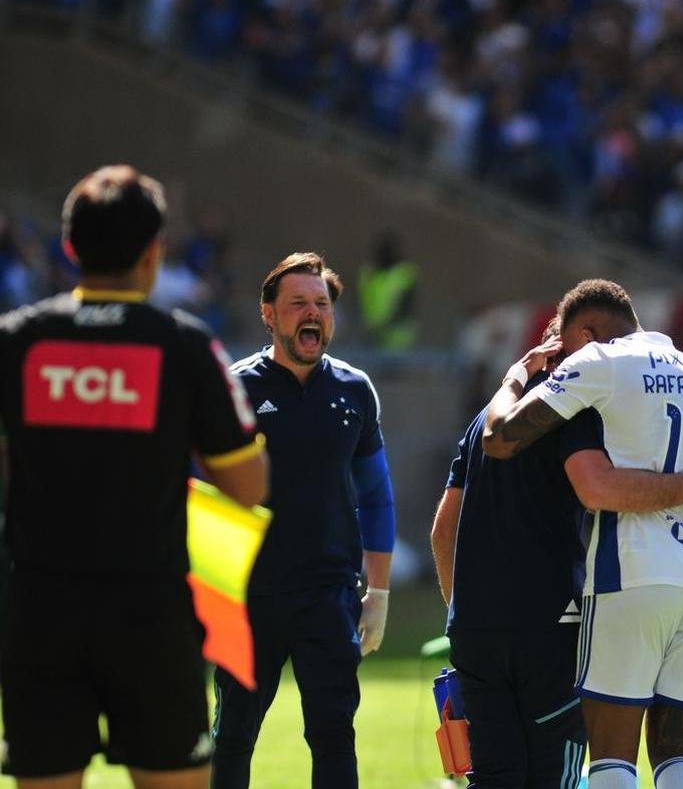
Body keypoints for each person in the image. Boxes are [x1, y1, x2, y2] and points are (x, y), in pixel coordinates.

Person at [0, 164, 269, 789]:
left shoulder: (16, 342)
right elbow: (248, 487)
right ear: (156, 251)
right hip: (151, 614)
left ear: (69, 248)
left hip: (39, 609)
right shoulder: (186, 348)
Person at [430, 319, 683, 789]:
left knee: (494, 778)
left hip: (477, 629)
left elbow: (442, 529)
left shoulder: (484, 421)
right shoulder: (582, 416)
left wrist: (461, 612)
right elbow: (598, 487)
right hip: (559, 622)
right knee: (582, 774)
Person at [210, 253, 396, 789]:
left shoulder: (355, 390)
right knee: (233, 736)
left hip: (329, 595)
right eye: (297, 304)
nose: (312, 313)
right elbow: (204, 495)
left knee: (334, 733)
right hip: (250, 596)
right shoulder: (234, 389)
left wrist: (377, 593)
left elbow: (377, 495)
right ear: (269, 314)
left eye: (321, 304)